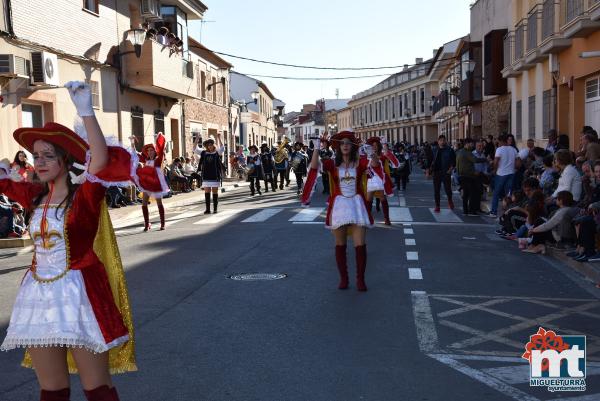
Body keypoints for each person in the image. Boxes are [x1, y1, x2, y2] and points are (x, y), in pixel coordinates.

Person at [0, 81, 150, 401]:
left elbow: (98, 159)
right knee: (51, 390)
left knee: (96, 388)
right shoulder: (34, 196)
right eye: (36, 156)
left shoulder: (85, 196)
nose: (38, 162)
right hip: (38, 297)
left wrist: (86, 111)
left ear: (65, 161)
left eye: (47, 156)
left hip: (80, 295)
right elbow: (5, 182)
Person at [301, 131, 375, 291]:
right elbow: (314, 166)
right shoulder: (331, 163)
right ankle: (344, 279)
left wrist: (372, 154)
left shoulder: (361, 162)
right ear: (338, 147)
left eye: (348, 143)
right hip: (339, 207)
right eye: (342, 143)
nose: (345, 145)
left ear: (353, 146)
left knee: (360, 244)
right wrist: (315, 149)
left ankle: (360, 280)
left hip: (357, 205)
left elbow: (374, 168)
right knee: (340, 244)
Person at [132, 132, 170, 231]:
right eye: (148, 151)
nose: (149, 152)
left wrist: (159, 137)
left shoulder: (159, 159)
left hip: (156, 184)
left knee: (159, 203)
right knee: (144, 204)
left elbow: (161, 149)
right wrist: (132, 142)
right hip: (147, 184)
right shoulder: (145, 160)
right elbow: (135, 154)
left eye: (151, 150)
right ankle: (147, 224)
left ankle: (162, 224)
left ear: (154, 151)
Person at [365, 137, 399, 225]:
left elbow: (388, 156)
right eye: (373, 146)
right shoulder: (367, 155)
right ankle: (368, 218)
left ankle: (387, 219)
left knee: (382, 198)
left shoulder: (382, 156)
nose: (374, 147)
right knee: (369, 199)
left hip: (380, 179)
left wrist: (384, 144)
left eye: (376, 145)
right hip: (371, 179)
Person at [455, 138, 487, 216]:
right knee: (471, 193)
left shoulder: (460, 151)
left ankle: (467, 210)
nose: (472, 145)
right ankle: (471, 210)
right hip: (467, 176)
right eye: (472, 144)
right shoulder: (467, 152)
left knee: (467, 194)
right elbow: (475, 160)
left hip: (462, 175)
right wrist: (486, 159)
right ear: (467, 144)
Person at [489, 134, 518, 217]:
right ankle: (508, 212)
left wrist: (494, 170)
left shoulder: (499, 149)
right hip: (511, 173)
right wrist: (515, 169)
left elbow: (496, 161)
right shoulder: (513, 149)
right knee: (508, 194)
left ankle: (493, 212)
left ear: (501, 141)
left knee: (496, 193)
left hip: (501, 173)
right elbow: (518, 162)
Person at [196, 135, 224, 214]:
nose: (209, 146)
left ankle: (215, 208)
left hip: (215, 175)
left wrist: (219, 138)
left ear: (213, 145)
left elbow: (222, 148)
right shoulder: (204, 153)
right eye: (208, 145)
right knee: (207, 192)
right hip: (206, 175)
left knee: (215, 192)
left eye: (211, 145)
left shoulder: (217, 152)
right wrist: (197, 139)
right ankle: (207, 209)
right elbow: (195, 149)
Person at [429, 135, 456, 212]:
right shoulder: (434, 150)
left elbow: (454, 162)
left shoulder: (450, 150)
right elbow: (430, 160)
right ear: (438, 141)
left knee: (448, 189)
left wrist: (450, 169)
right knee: (436, 190)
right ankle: (437, 206)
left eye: (444, 140)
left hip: (445, 172)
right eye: (441, 140)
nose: (442, 142)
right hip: (436, 172)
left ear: (446, 141)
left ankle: (450, 200)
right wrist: (428, 171)